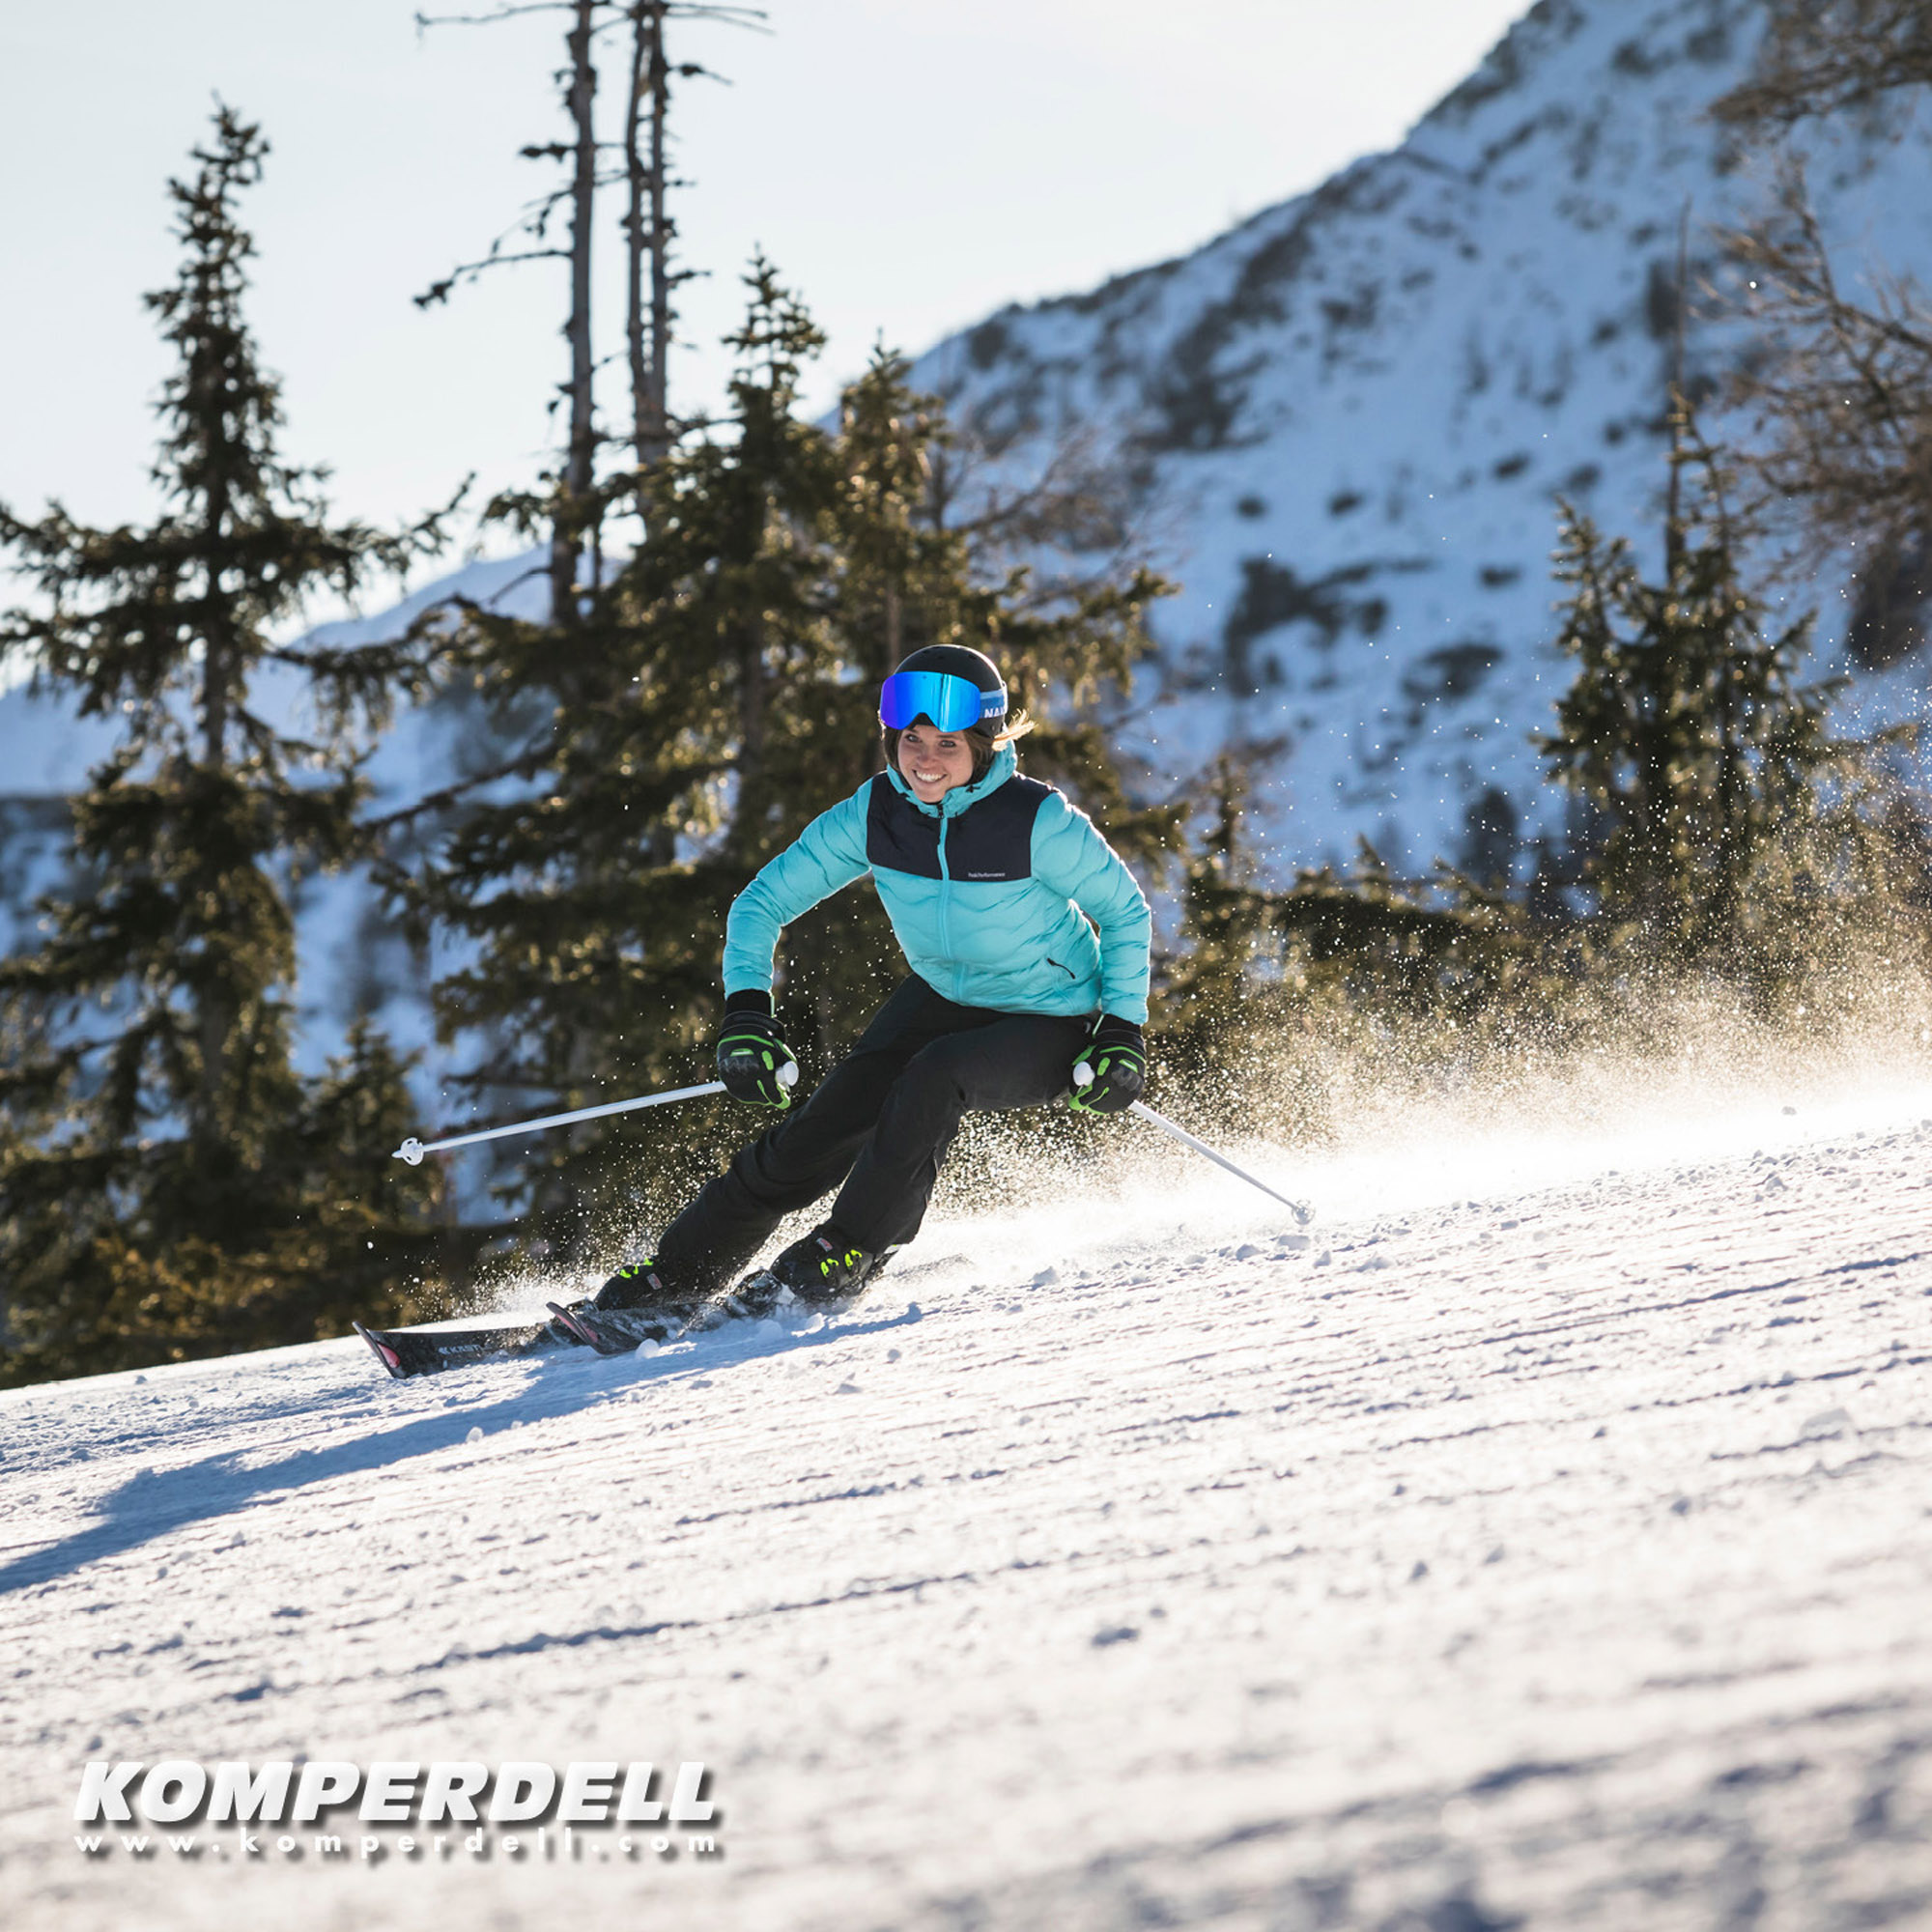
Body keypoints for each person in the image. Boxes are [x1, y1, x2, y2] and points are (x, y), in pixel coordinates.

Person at [595, 643, 1152, 1323]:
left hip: (1054, 1014)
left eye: (947, 742)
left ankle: (849, 1248)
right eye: (911, 739)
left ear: (985, 743)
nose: (924, 759)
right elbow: (761, 902)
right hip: (943, 996)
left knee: (934, 1076)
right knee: (819, 1128)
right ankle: (680, 1271)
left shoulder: (1036, 821)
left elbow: (1125, 911)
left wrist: (1121, 1032)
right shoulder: (876, 813)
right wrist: (745, 1012)